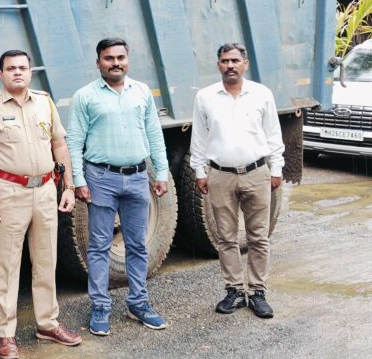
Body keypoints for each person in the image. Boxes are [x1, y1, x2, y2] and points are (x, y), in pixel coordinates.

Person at [0, 49, 82, 359]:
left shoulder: (45, 102)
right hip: (8, 192)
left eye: (22, 67)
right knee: (7, 266)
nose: (17, 72)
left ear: (30, 72)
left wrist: (68, 186)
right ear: (1, 74)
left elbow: (59, 143)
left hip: (46, 189)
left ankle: (47, 324)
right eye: (10, 68)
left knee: (46, 261)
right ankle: (5, 334)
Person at [66, 37, 169, 336]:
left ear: (128, 59)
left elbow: (154, 133)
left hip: (138, 177)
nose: (115, 63)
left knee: (137, 245)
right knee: (99, 247)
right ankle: (100, 307)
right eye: (108, 58)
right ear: (98, 63)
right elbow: (74, 141)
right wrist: (79, 180)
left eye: (120, 57)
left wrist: (160, 172)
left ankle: (138, 303)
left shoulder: (142, 92)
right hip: (101, 178)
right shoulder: (85, 96)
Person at [190, 42, 284, 318]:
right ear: (218, 65)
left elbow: (273, 135)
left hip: (257, 173)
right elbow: (199, 139)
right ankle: (234, 291)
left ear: (245, 64)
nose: (230, 65)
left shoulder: (261, 94)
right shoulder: (206, 97)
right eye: (224, 61)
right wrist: (200, 172)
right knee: (226, 237)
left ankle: (257, 293)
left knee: (259, 237)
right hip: (220, 175)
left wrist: (276, 169)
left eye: (234, 61)